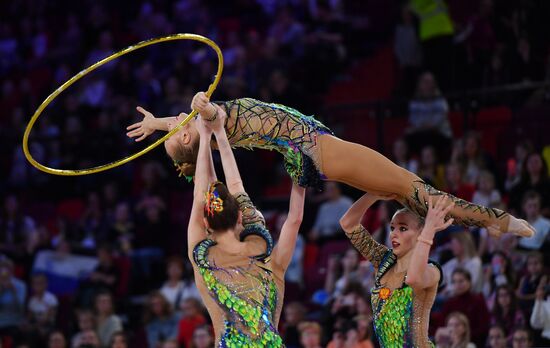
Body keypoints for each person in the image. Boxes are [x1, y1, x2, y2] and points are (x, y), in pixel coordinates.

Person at [126, 92, 534, 238]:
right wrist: (203, 106)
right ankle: (499, 222)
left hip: (322, 151)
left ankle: (487, 225)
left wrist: (159, 122)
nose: (175, 121)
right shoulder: (212, 123)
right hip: (323, 151)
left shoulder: (204, 132)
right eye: (174, 128)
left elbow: (191, 124)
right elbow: (206, 115)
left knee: (403, 193)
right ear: (184, 136)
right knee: (417, 190)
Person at [185, 109, 305, 346]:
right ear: (240, 217)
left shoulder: (203, 258)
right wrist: (215, 132)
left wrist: (206, 135)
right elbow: (293, 218)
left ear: (206, 224)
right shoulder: (264, 255)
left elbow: (200, 194)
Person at [339, 192, 454, 347]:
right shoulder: (383, 260)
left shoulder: (432, 271)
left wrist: (429, 231)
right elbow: (348, 223)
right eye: (392, 228)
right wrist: (374, 193)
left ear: (421, 232)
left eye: (403, 228)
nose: (393, 234)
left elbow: (413, 279)